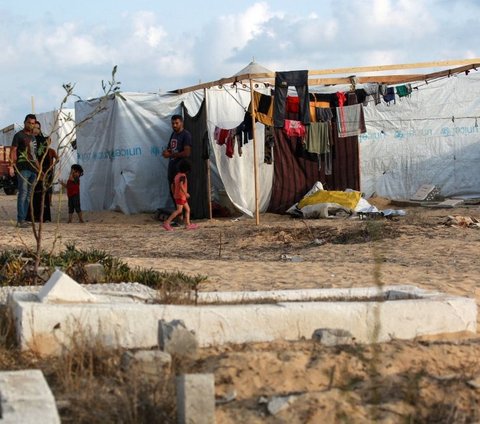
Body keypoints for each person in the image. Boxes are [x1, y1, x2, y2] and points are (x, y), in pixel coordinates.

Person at [9, 114, 39, 227]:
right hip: (23, 168)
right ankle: (20, 220)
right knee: (23, 193)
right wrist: (11, 166)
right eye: (29, 123)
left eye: (33, 123)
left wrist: (39, 169)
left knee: (28, 195)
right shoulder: (18, 135)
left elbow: (34, 155)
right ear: (24, 122)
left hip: (33, 169)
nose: (31, 125)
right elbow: (13, 151)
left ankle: (24, 219)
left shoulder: (33, 138)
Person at [27, 122, 58, 222]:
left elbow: (43, 157)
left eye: (38, 128)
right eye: (34, 127)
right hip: (33, 170)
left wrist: (43, 171)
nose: (36, 130)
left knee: (43, 193)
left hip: (43, 171)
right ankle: (31, 216)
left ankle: (44, 217)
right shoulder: (28, 139)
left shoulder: (43, 142)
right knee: (32, 194)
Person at [162, 114, 192, 208]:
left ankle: (182, 215)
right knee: (173, 191)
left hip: (180, 168)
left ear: (181, 123)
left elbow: (187, 153)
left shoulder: (186, 135)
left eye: (176, 123)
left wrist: (170, 155)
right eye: (173, 123)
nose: (174, 125)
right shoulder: (173, 134)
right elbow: (171, 148)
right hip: (172, 167)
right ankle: (178, 213)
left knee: (180, 192)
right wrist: (167, 152)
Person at [162, 160, 198, 231]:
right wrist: (186, 193)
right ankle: (167, 222)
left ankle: (188, 224)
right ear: (187, 170)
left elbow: (172, 185)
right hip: (181, 196)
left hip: (179, 196)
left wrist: (174, 193)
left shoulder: (177, 176)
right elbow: (181, 185)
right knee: (179, 210)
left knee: (188, 209)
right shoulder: (183, 176)